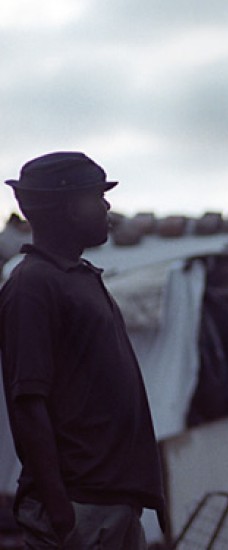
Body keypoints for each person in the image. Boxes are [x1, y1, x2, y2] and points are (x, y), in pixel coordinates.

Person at [0, 152, 165, 548]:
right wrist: (60, 510)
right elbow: (28, 403)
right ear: (68, 207)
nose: (107, 207)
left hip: (112, 501)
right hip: (81, 507)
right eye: (96, 196)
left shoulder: (80, 277)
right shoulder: (32, 285)